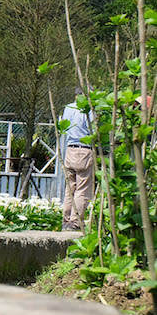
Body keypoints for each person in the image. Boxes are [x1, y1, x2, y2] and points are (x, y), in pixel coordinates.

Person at [60, 86, 94, 231]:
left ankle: (66, 220)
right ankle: (75, 221)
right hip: (84, 150)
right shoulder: (87, 109)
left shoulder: (68, 108)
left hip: (69, 149)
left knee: (70, 187)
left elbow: (65, 127)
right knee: (82, 188)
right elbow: (93, 129)